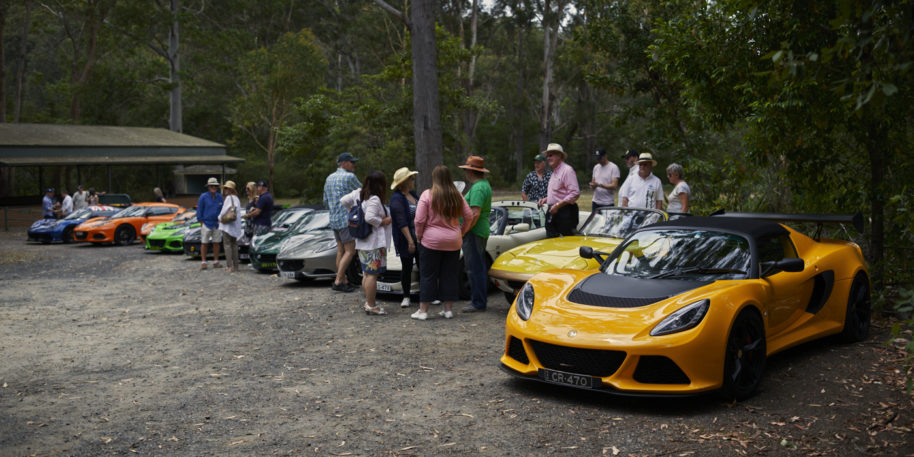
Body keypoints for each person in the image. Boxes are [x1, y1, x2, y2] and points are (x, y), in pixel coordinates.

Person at [412, 165, 473, 321]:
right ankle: (448, 310)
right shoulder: (457, 195)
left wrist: (419, 236)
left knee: (428, 275)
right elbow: (469, 216)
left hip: (431, 241)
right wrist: (461, 231)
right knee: (449, 274)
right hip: (453, 241)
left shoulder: (428, 195)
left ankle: (423, 311)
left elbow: (419, 220)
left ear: (435, 178)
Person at [340, 171, 392, 316]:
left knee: (366, 274)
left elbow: (343, 200)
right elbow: (370, 217)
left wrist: (353, 210)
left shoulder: (359, 194)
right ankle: (371, 305)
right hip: (373, 243)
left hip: (363, 242)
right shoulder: (374, 199)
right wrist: (382, 221)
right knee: (371, 275)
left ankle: (369, 302)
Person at [323, 152, 362, 293]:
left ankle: (344, 280)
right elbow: (363, 192)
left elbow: (325, 202)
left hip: (333, 219)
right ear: (344, 163)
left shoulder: (329, 178)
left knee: (341, 250)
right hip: (346, 220)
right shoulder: (349, 177)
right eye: (352, 162)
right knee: (350, 251)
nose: (354, 165)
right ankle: (338, 280)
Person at [459, 156, 493, 313]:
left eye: (466, 169)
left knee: (474, 267)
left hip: (475, 231)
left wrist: (463, 230)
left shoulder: (478, 187)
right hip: (478, 230)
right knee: (476, 266)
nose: (465, 172)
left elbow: (474, 213)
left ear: (471, 171)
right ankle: (478, 300)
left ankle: (478, 302)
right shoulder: (481, 185)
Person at [389, 167, 420, 308]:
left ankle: (427, 295)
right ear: (405, 182)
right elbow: (401, 223)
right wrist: (410, 241)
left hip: (420, 237)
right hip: (406, 239)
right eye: (411, 179)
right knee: (407, 267)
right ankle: (406, 296)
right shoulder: (397, 199)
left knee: (423, 267)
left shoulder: (413, 194)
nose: (413, 181)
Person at [537, 143, 580, 238]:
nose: (548, 158)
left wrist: (558, 205)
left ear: (559, 155)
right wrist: (547, 199)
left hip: (565, 211)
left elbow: (575, 193)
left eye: (550, 155)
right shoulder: (555, 172)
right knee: (551, 239)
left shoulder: (567, 170)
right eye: (547, 156)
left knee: (565, 243)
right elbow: (560, 192)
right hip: (554, 210)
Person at [197, 177, 224, 269]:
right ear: (208, 187)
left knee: (216, 243)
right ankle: (203, 262)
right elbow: (199, 210)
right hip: (206, 222)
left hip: (216, 223)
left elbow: (222, 210)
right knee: (204, 243)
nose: (214, 187)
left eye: (215, 186)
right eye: (212, 186)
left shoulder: (220, 197)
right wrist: (201, 222)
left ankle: (216, 261)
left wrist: (221, 219)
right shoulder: (203, 196)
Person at [219, 181, 243, 273]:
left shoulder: (229, 198)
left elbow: (223, 211)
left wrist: (219, 218)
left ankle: (229, 266)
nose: (224, 190)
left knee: (227, 245)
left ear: (230, 189)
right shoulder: (236, 198)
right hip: (235, 226)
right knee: (234, 245)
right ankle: (236, 266)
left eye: (226, 188)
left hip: (227, 225)